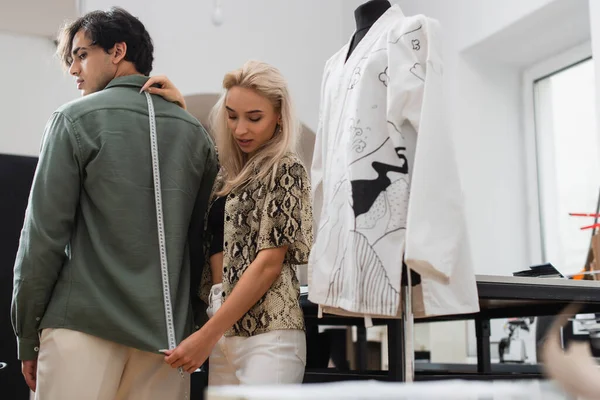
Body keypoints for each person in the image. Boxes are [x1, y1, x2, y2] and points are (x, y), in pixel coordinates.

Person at [11, 7, 218, 399]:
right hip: (165, 341)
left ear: (118, 51)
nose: (74, 69)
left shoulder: (73, 120)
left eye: (82, 55)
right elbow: (203, 243)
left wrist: (27, 335)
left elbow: (41, 239)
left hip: (82, 328)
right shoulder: (194, 135)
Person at [141, 60, 313, 385]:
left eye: (254, 117)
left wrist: (206, 336)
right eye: (232, 116)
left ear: (279, 116)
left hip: (268, 332)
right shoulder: (227, 174)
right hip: (220, 323)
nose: (240, 129)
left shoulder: (286, 170)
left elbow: (267, 266)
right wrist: (179, 106)